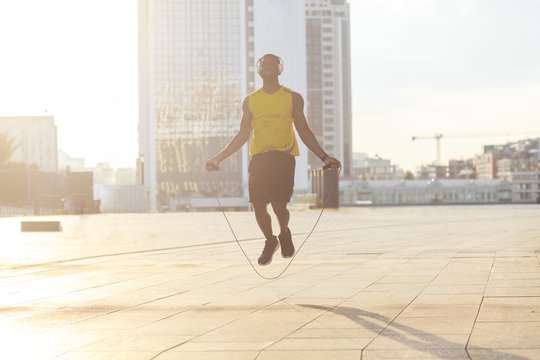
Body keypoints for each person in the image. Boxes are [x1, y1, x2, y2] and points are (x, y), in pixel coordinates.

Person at [205, 53, 340, 266]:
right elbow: (242, 135)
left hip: (283, 158)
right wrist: (217, 158)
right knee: (258, 205)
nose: (267, 66)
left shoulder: (292, 97)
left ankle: (284, 233)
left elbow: (304, 130)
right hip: (259, 158)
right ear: (259, 70)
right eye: (263, 64)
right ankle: (270, 241)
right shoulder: (250, 100)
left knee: (279, 206)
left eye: (272, 64)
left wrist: (324, 156)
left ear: (280, 69)